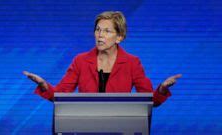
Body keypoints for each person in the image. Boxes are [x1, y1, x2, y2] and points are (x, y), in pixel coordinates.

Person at [23, 11, 182, 106]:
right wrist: (44, 85)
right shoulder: (80, 61)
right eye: (98, 30)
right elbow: (60, 95)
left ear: (119, 37)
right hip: (83, 125)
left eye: (107, 31)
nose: (100, 35)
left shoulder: (132, 63)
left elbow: (148, 100)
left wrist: (161, 89)